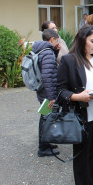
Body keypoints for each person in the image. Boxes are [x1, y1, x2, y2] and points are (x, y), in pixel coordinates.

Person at [57, 25, 93, 185]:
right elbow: (60, 90)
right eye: (92, 41)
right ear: (82, 40)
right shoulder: (69, 60)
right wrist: (77, 96)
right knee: (82, 156)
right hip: (82, 115)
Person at [32, 29, 61, 157]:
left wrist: (56, 51)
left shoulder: (41, 50)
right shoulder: (48, 52)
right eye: (57, 40)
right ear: (52, 40)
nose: (57, 43)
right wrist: (51, 98)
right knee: (46, 118)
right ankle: (43, 147)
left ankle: (47, 143)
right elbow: (48, 76)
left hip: (42, 90)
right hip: (48, 92)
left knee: (46, 117)